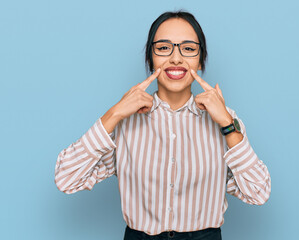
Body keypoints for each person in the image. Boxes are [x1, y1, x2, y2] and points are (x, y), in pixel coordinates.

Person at [54, 10, 271, 240]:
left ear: (200, 60)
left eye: (188, 49)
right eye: (164, 48)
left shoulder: (226, 122)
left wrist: (227, 123)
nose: (176, 59)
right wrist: (115, 113)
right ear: (150, 58)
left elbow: (258, 193)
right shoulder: (125, 122)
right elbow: (66, 178)